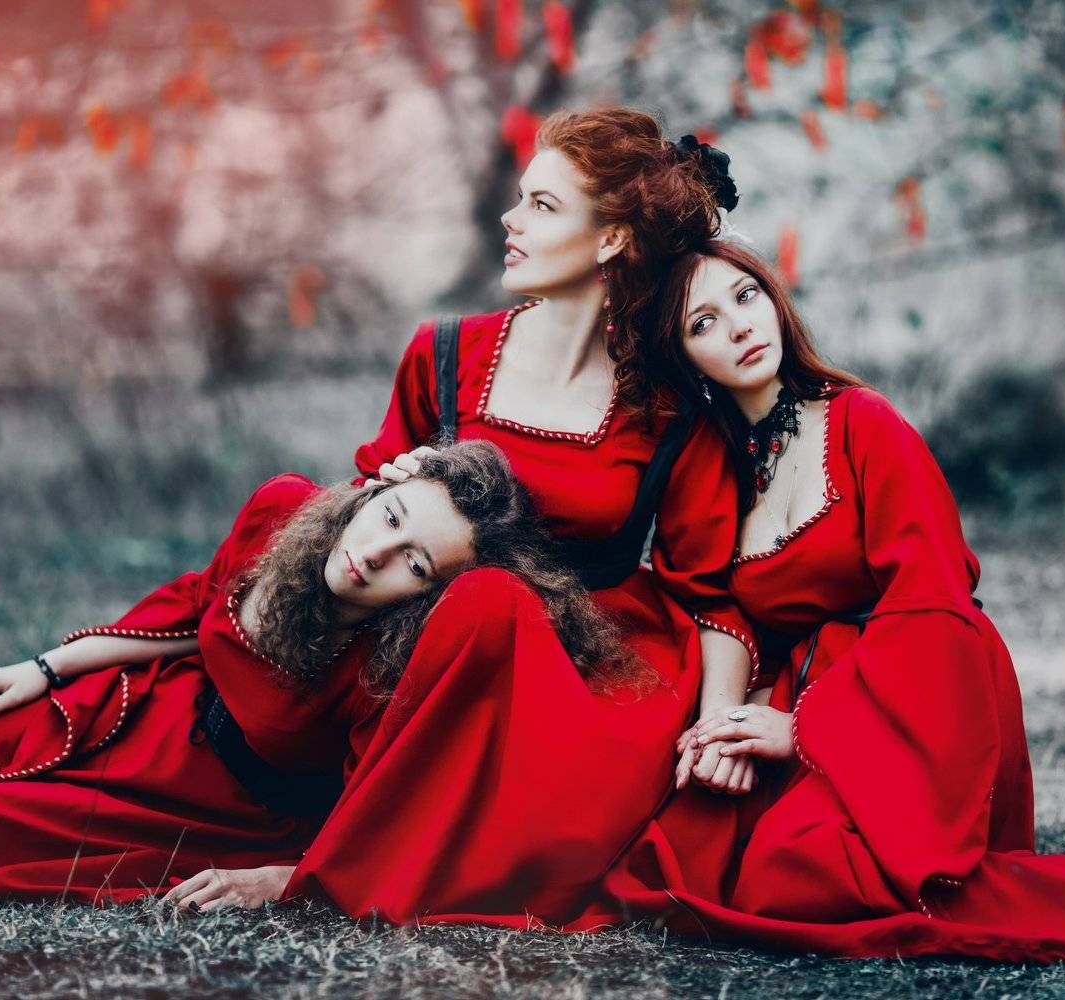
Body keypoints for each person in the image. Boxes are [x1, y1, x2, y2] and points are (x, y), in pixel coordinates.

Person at [584, 239, 1065, 965]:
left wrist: (803, 729)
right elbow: (714, 606)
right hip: (800, 687)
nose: (740, 326)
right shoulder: (711, 468)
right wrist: (724, 725)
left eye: (746, 297)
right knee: (676, 859)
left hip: (919, 690)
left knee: (801, 871)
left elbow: (934, 602)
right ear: (686, 359)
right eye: (703, 323)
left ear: (774, 300)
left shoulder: (862, 422)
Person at [0, 442, 625, 911]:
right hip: (134, 712)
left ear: (428, 596)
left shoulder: (378, 671)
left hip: (201, 809)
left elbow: (372, 809)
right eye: (389, 519)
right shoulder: (282, 511)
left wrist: (282, 879)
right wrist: (39, 669)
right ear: (373, 494)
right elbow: (188, 609)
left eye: (415, 566)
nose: (376, 555)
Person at [277, 110, 765, 925]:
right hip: (430, 652)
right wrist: (386, 492)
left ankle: (331, 869)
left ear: (611, 239)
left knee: (492, 602)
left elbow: (709, 594)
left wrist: (715, 725)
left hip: (590, 671)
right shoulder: (444, 354)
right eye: (520, 198)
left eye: (541, 205)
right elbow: (357, 526)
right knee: (473, 599)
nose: (510, 220)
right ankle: (333, 845)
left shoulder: (672, 410)